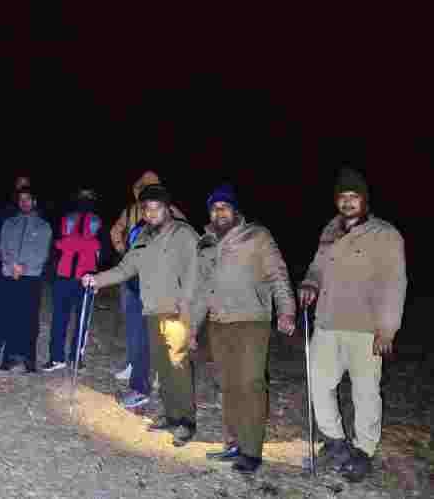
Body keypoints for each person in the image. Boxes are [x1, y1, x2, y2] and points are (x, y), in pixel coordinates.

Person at [299, 167, 406, 482]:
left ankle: (363, 450)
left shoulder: (385, 234)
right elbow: (317, 267)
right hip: (327, 322)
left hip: (365, 328)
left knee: (366, 392)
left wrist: (387, 329)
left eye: (353, 196)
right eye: (342, 196)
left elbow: (395, 283)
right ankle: (334, 440)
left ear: (365, 200)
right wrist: (310, 283)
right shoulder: (330, 230)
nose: (347, 202)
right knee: (319, 383)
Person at [83, 183, 199, 447]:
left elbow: (195, 275)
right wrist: (97, 279)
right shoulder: (143, 236)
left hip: (176, 311)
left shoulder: (183, 234)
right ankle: (172, 415)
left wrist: (189, 315)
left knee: (178, 367)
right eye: (146, 209)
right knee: (163, 367)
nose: (151, 213)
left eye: (156, 208)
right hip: (152, 310)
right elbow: (126, 268)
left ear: (167, 208)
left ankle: (186, 421)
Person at [192, 184, 296, 473]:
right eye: (214, 208)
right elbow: (202, 289)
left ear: (235, 210)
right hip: (218, 322)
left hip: (251, 320)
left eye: (224, 206)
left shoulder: (257, 236)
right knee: (227, 386)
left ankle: (251, 451)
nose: (219, 212)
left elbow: (277, 274)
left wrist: (286, 310)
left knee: (251, 384)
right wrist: (192, 327)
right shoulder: (205, 242)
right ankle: (233, 444)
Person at [109, 170, 185, 381]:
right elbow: (115, 230)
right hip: (132, 273)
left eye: (154, 188)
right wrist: (122, 249)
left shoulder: (170, 211)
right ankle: (134, 364)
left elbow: (183, 235)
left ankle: (160, 371)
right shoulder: (130, 210)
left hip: (159, 278)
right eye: (145, 188)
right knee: (133, 323)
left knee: (159, 327)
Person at [0, 187, 52, 372]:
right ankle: (9, 357)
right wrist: (12, 265)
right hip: (9, 274)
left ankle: (28, 358)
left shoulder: (43, 226)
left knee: (29, 319)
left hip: (31, 277)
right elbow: (3, 248)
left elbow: (42, 253)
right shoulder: (10, 223)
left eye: (28, 199)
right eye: (21, 199)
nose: (24, 202)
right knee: (8, 316)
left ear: (34, 201)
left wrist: (24, 267)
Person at [43, 188, 102, 372]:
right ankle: (56, 358)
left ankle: (76, 357)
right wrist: (82, 244)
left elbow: (100, 248)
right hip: (63, 276)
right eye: (82, 197)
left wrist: (98, 278)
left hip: (86, 278)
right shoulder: (66, 219)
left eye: (88, 198)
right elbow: (57, 244)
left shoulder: (97, 221)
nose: (84, 201)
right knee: (59, 319)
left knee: (82, 321)